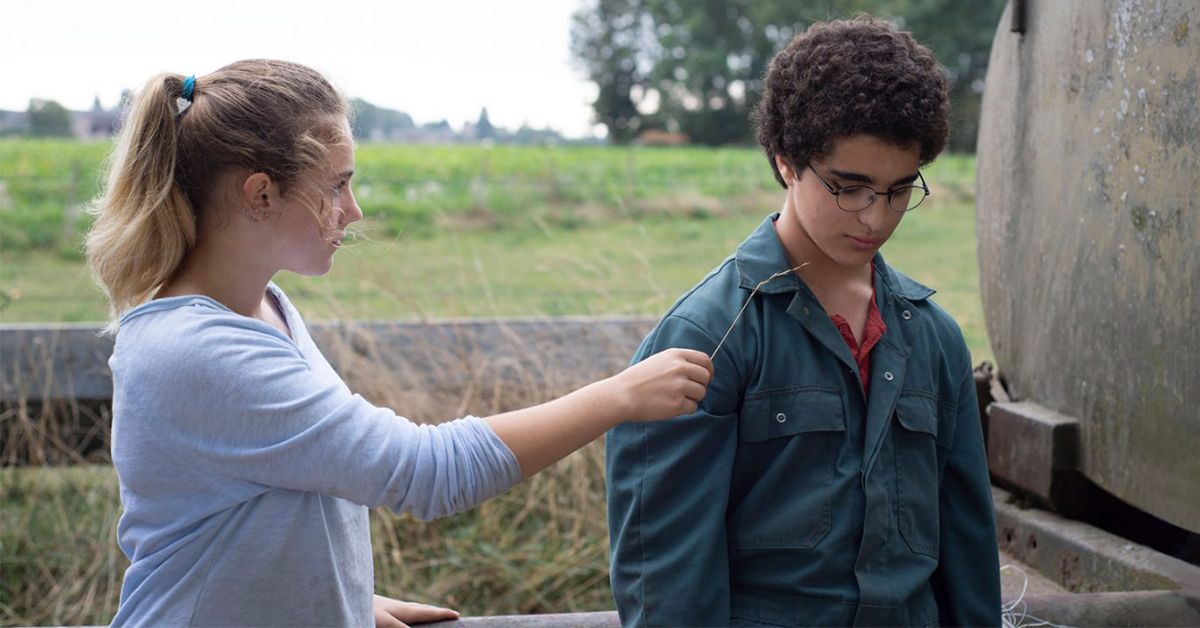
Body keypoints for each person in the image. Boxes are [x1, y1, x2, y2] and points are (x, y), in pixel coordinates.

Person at [85, 59, 712, 627]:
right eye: (337, 185)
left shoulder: (265, 309)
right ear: (262, 194)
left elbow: (260, 507)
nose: (353, 210)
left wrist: (338, 600)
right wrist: (620, 396)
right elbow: (426, 472)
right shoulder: (198, 351)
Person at [606, 16, 1001, 627]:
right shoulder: (711, 337)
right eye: (850, 187)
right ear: (787, 162)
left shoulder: (935, 339)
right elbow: (668, 584)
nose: (876, 216)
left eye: (900, 190)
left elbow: (969, 555)